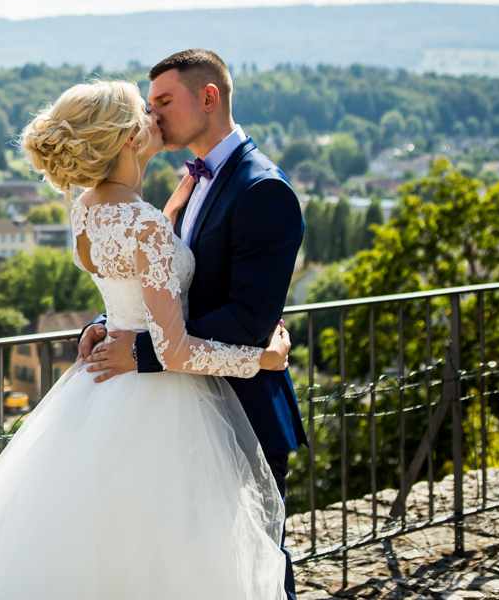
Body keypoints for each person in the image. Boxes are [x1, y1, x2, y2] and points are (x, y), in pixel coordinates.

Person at [0, 75, 293, 600]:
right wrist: (262, 358)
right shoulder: (142, 226)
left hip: (100, 392)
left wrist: (162, 225)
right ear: (128, 138)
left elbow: (131, 279)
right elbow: (171, 348)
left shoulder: (86, 212)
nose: (155, 117)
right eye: (145, 112)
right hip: (161, 400)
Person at [82, 48, 307, 599]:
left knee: (253, 570)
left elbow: (250, 320)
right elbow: (159, 285)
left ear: (209, 98)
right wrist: (108, 323)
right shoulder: (188, 183)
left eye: (163, 101)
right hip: (177, 413)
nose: (152, 116)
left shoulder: (264, 190)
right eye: (149, 103)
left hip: (242, 409)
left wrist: (138, 352)